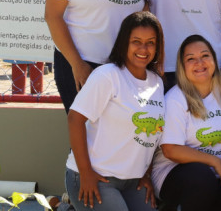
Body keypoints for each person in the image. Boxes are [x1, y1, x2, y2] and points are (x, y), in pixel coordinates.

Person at [65, 11, 164, 211]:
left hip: (132, 181)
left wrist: (145, 175)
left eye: (150, 42)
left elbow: (153, 136)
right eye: (136, 41)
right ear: (124, 42)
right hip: (96, 177)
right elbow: (75, 119)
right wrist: (85, 173)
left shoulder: (157, 82)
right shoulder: (107, 75)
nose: (143, 49)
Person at [151, 34, 221, 211]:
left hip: (218, 174)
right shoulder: (175, 98)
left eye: (205, 56)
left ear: (214, 60)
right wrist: (215, 162)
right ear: (182, 66)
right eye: (191, 59)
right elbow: (170, 149)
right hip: (174, 173)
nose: (199, 62)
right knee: (202, 179)